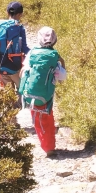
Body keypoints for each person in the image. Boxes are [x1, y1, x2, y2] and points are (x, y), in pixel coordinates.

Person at [19, 26, 67, 158]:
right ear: (55, 40)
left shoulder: (32, 53)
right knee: (48, 117)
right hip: (47, 94)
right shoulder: (54, 57)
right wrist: (62, 64)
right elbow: (62, 76)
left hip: (30, 92)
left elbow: (24, 71)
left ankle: (47, 146)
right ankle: (50, 146)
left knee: (37, 120)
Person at [0, 1, 29, 91]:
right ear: (20, 14)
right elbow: (24, 48)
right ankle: (20, 104)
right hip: (14, 67)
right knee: (23, 90)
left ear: (7, 12)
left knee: (5, 94)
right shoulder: (19, 28)